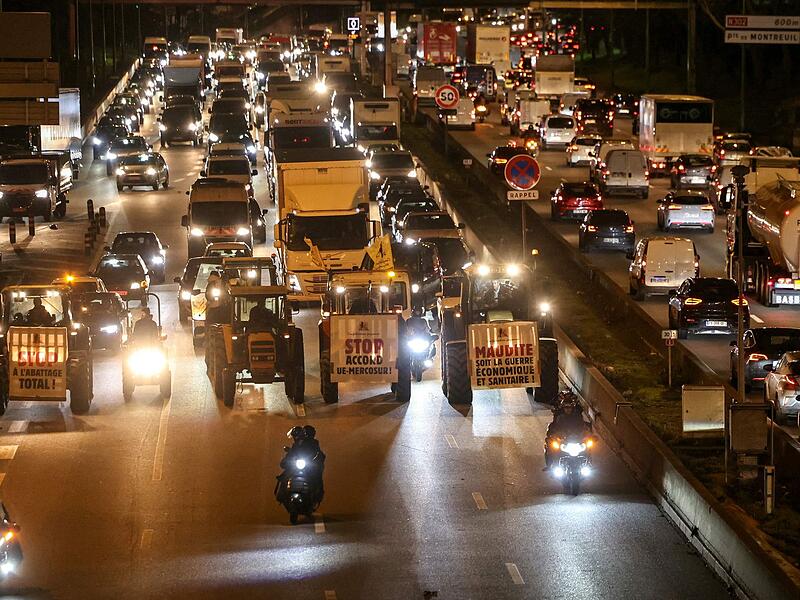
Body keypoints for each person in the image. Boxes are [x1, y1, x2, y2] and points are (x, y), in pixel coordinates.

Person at [544, 390, 591, 468]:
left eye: (569, 407)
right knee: (551, 446)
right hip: (564, 440)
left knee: (588, 447)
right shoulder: (559, 418)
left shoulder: (577, 417)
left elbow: (582, 426)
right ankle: (550, 465)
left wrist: (587, 435)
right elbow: (555, 427)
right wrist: (553, 435)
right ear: (563, 408)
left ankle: (588, 463)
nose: (568, 409)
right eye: (566, 407)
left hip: (575, 439)